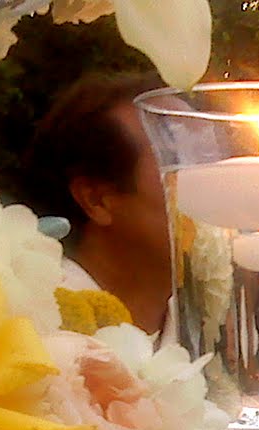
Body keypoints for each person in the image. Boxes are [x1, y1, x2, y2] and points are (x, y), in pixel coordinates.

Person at [23, 72, 173, 336]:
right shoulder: (25, 324)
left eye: (210, 150)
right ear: (96, 200)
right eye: (176, 156)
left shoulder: (220, 331)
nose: (214, 174)